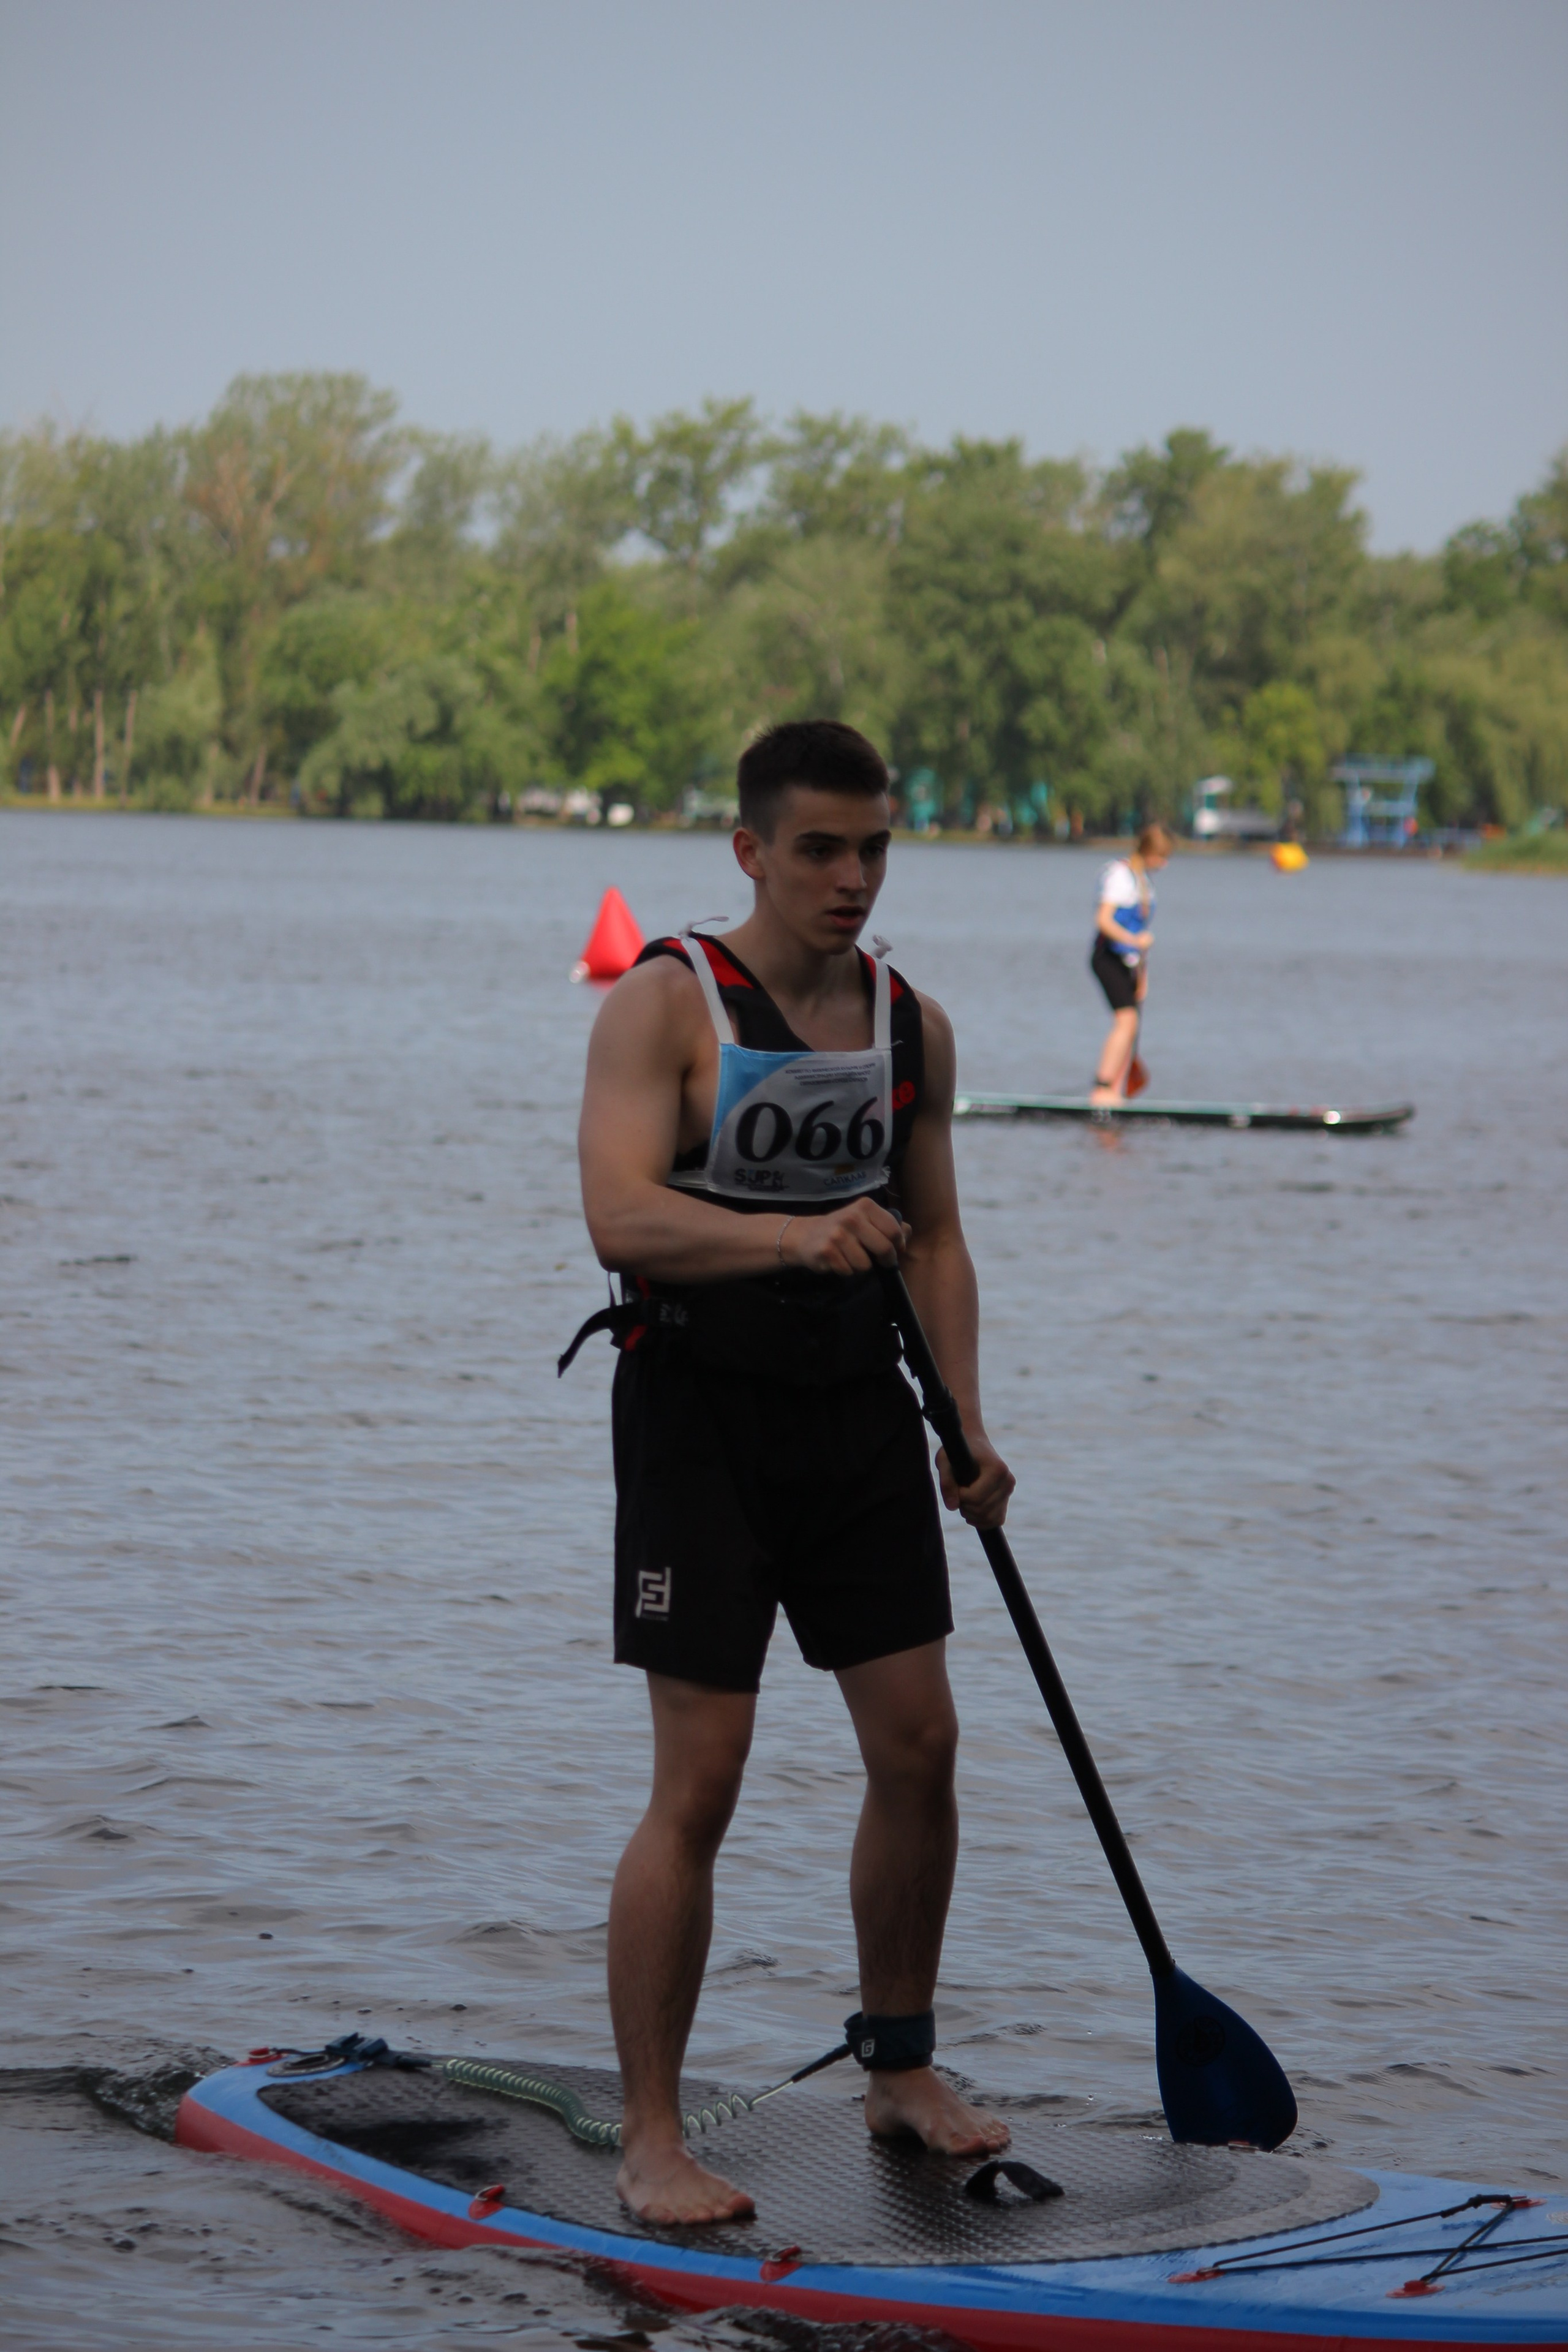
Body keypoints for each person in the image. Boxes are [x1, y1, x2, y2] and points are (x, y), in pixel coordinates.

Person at [571, 720, 1015, 2226]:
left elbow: (934, 1236)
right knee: (699, 1779)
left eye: (872, 847)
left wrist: (964, 1420)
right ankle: (650, 2137)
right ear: (750, 850)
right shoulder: (666, 1002)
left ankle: (899, 2064)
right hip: (698, 1417)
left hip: (856, 1417)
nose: (850, 877)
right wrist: (789, 1234)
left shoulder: (910, 1025)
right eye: (818, 848)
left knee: (921, 1743)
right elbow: (618, 1215)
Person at [1088, 824, 1172, 1104]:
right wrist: (1134, 941)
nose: (1165, 864)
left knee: (1131, 1025)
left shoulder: (1143, 880)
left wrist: (1142, 977)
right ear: (1148, 852)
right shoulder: (1120, 876)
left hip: (1130, 964)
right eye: (1162, 857)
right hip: (1107, 957)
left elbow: (1140, 938)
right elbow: (1103, 921)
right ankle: (1101, 1090)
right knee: (1126, 1022)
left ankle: (1116, 1090)